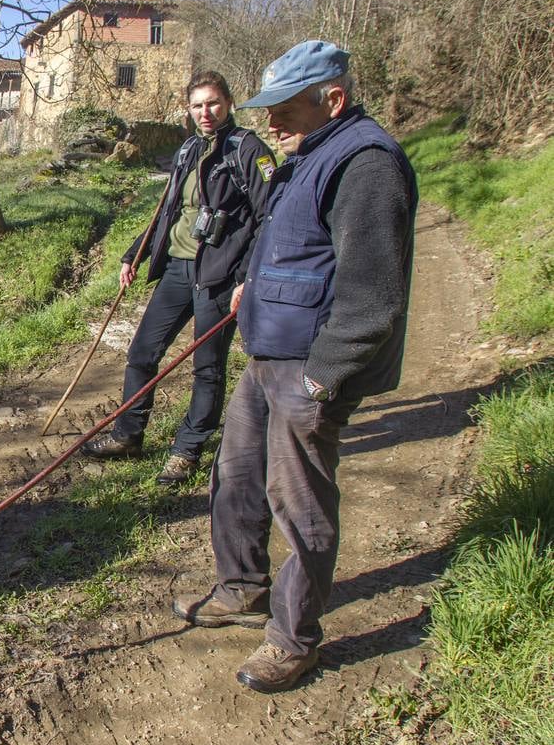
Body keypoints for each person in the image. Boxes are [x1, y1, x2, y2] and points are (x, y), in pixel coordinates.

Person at [171, 41, 418, 693]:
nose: (269, 123)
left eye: (283, 109)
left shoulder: (366, 165)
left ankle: (293, 640)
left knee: (298, 505)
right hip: (266, 354)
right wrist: (254, 286)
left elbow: (374, 299)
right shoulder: (306, 156)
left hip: (307, 367)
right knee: (237, 477)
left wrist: (321, 378)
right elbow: (287, 243)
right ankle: (242, 587)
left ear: (331, 100)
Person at [84, 71, 274, 485]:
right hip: (176, 267)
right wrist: (135, 253)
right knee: (142, 353)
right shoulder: (187, 149)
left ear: (228, 103)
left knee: (207, 366)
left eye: (213, 103)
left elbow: (268, 218)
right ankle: (128, 435)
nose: (205, 112)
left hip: (220, 276)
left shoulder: (249, 150)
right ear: (187, 109)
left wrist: (246, 277)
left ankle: (187, 450)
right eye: (197, 105)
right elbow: (166, 211)